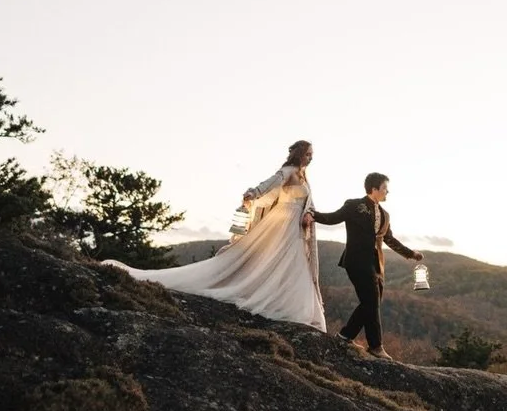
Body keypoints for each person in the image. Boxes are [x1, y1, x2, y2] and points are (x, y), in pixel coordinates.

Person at [100, 140, 326, 328]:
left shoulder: (305, 177)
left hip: (295, 225)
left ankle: (287, 301)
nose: (311, 158)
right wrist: (254, 192)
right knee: (282, 260)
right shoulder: (288, 172)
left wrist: (309, 214)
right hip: (283, 222)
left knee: (294, 263)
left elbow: (308, 202)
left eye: (312, 155)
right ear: (299, 154)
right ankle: (281, 302)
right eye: (308, 154)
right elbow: (270, 184)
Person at [311, 173, 423, 359]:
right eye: (385, 188)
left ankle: (345, 335)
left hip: (377, 264)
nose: (388, 191)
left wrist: (410, 254)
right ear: (374, 189)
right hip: (356, 261)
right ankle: (375, 345)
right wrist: (312, 215)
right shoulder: (354, 205)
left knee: (372, 302)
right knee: (371, 300)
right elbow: (332, 218)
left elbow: (389, 239)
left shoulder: (386, 215)